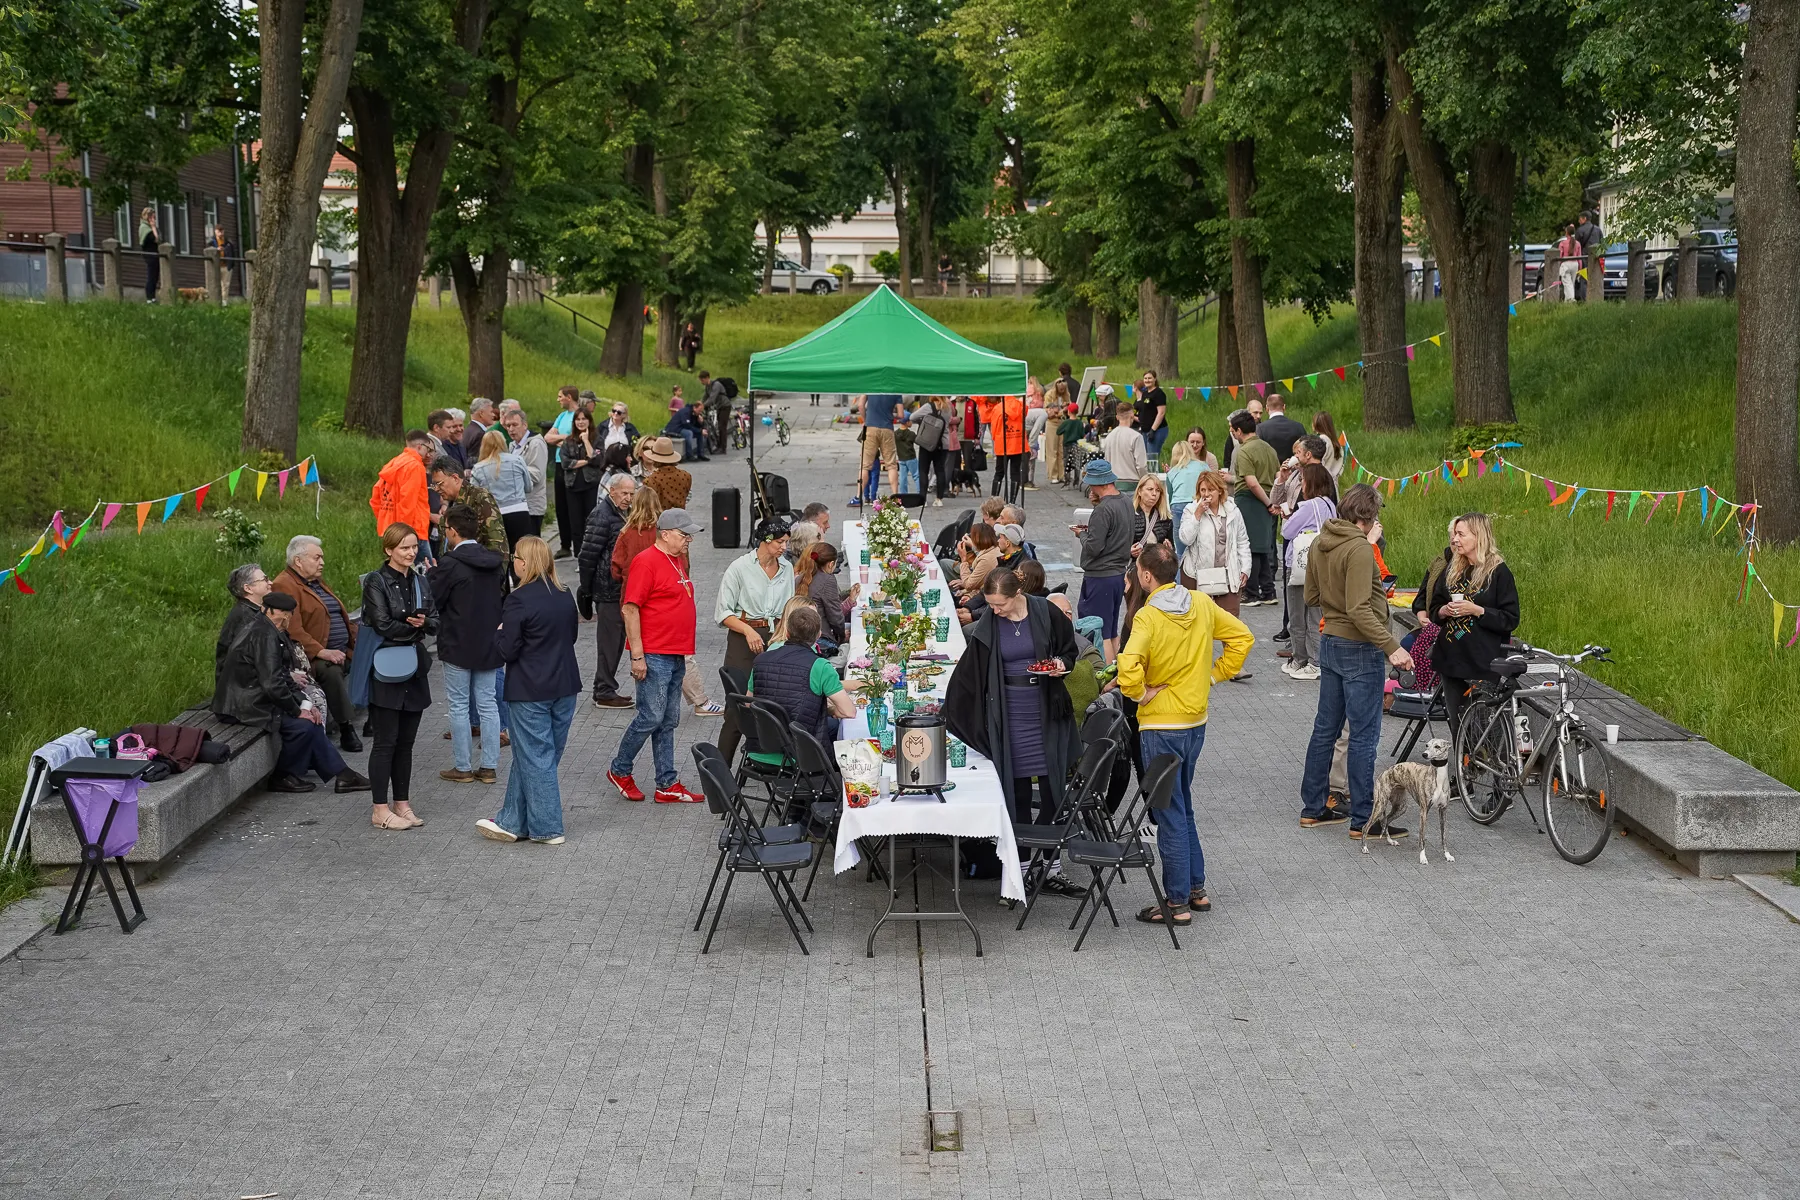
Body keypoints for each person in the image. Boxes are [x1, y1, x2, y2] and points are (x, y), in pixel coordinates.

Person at [1116, 542, 1253, 924]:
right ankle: (1196, 889)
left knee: (1170, 812)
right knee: (1183, 804)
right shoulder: (1200, 602)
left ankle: (1175, 902)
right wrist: (1214, 674)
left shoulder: (1147, 616)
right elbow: (1243, 637)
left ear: (1145, 576)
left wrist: (1141, 692)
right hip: (1195, 722)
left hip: (1160, 724)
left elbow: (1128, 666)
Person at [942, 569, 1084, 870]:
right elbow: (970, 671)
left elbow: (1069, 651)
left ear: (1017, 594)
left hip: (1046, 710)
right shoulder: (992, 622)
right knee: (1017, 790)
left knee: (1052, 787)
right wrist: (949, 711)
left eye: (999, 605)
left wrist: (1060, 664)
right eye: (991, 605)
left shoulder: (1045, 610)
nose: (994, 611)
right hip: (1010, 714)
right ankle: (1020, 860)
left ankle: (1049, 858)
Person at [1298, 483, 1413, 838]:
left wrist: (1335, 608)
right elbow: (1360, 609)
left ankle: (1313, 808)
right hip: (1360, 648)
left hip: (1331, 641)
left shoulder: (1321, 541)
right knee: (1364, 736)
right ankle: (1366, 819)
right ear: (1366, 517)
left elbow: (1311, 594)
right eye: (1375, 515)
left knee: (1325, 729)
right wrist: (1391, 645)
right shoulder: (1360, 550)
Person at [213, 565, 369, 795]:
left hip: (252, 695)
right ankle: (285, 776)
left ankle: (341, 775)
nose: (269, 582)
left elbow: (279, 674)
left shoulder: (266, 625)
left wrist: (304, 705)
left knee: (310, 720)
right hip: (243, 703)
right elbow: (272, 682)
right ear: (280, 614)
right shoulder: (262, 632)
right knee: (302, 725)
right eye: (263, 579)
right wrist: (298, 710)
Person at [476, 537, 583, 844]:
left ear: (524, 563)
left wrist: (498, 635)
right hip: (564, 686)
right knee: (537, 756)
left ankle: (548, 829)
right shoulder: (564, 594)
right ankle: (511, 820)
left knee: (536, 757)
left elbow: (508, 650)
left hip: (530, 689)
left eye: (516, 561)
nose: (514, 565)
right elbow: (572, 637)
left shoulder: (518, 599)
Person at [608, 509, 709, 804]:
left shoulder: (676, 559)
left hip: (674, 651)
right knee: (651, 715)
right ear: (666, 534)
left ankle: (667, 783)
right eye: (684, 534)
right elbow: (630, 608)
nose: (689, 539)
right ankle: (620, 769)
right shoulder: (646, 562)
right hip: (654, 652)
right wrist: (637, 655)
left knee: (667, 719)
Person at [358, 524, 438, 831]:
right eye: (404, 547)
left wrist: (425, 622)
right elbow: (382, 624)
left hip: (414, 666)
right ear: (389, 550)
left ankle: (402, 802)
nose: (411, 552)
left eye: (414, 546)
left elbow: (436, 620)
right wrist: (416, 628)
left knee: (406, 742)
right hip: (387, 666)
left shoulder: (420, 580)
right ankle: (380, 808)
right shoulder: (376, 582)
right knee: (385, 741)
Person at [1422, 512, 1520, 741]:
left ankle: (1496, 774)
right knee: (1458, 724)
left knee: (1487, 727)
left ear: (1478, 536)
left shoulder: (1499, 572)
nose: (1454, 539)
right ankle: (1464, 771)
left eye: (1460, 534)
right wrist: (1444, 611)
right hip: (1452, 658)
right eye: (1454, 534)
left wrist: (1477, 610)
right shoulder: (1453, 569)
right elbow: (1434, 606)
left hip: (1483, 662)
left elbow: (1510, 618)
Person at [429, 505, 507, 785]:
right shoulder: (494, 560)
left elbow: (434, 600)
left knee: (460, 705)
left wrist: (430, 575)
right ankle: (489, 767)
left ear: (451, 531)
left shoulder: (449, 564)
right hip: (489, 642)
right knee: (488, 705)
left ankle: (462, 767)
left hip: (457, 641)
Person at [743, 604, 857, 784]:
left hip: (759, 749)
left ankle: (801, 805)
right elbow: (849, 712)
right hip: (800, 755)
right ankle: (822, 793)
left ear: (787, 632)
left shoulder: (760, 660)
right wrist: (828, 710)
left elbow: (749, 704)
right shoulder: (819, 666)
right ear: (819, 635)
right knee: (838, 730)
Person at [269, 535, 362, 752]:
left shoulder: (315, 582)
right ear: (298, 561)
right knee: (329, 671)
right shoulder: (285, 584)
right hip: (310, 657)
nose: (322, 562)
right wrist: (322, 651)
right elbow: (293, 629)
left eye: (322, 558)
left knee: (374, 659)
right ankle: (346, 728)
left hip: (342, 648)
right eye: (317, 557)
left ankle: (375, 719)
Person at [714, 519, 796, 762]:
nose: (784, 547)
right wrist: (748, 631)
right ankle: (721, 766)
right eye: (780, 542)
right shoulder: (739, 568)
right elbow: (723, 613)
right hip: (744, 637)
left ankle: (770, 760)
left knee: (776, 701)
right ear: (765, 540)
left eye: (786, 542)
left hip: (776, 637)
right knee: (738, 707)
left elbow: (789, 607)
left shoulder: (787, 568)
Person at [577, 473, 638, 708]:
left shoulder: (620, 513)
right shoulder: (602, 515)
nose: (628, 498)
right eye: (624, 493)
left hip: (617, 589)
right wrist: (587, 589)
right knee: (610, 642)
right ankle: (603, 690)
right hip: (607, 589)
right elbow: (587, 555)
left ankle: (606, 687)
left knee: (616, 640)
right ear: (612, 491)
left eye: (631, 494)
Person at [1281, 463, 1339, 680]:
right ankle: (1314, 659)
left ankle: (1303, 659)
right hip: (1322, 564)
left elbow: (1287, 532)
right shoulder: (1330, 505)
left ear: (1311, 482)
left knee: (1298, 613)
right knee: (1316, 612)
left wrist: (1287, 516)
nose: (1302, 485)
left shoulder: (1307, 506)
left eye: (1303, 481)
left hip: (1299, 565)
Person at [1073, 459, 1136, 660]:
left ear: (1097, 483)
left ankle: (1104, 678)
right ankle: (1116, 672)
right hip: (1118, 574)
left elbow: (1093, 547)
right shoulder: (1126, 501)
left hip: (1100, 577)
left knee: (1100, 632)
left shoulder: (1103, 510)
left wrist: (1081, 535)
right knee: (1111, 630)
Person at [1177, 471, 1251, 616]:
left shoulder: (1233, 511)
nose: (1206, 494)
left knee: (1230, 624)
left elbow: (1242, 541)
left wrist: (1245, 568)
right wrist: (1197, 515)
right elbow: (1185, 539)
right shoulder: (1190, 510)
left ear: (1219, 490)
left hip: (1228, 574)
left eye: (1210, 490)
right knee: (1199, 625)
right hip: (1196, 575)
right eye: (1202, 490)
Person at [1226, 409, 1279, 604]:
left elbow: (1251, 482)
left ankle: (1251, 592)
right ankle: (1268, 591)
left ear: (1239, 430)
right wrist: (1273, 501)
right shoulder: (1269, 449)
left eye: (1233, 430)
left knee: (1249, 546)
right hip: (1268, 495)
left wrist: (1268, 502)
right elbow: (1277, 476)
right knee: (1264, 545)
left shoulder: (1243, 450)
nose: (1232, 433)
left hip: (1250, 499)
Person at [370, 430, 436, 563]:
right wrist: (406, 535)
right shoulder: (416, 466)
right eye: (428, 449)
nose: (428, 454)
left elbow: (376, 497)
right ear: (420, 447)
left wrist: (387, 523)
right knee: (427, 576)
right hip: (413, 532)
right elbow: (408, 503)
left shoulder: (393, 463)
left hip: (390, 530)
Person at [471, 428, 536, 551]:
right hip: (519, 512)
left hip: (494, 516)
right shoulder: (517, 460)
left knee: (500, 554)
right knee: (522, 553)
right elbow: (528, 487)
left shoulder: (478, 468)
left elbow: (475, 497)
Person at [431, 456, 503, 551]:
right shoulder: (452, 501)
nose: (436, 489)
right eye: (434, 485)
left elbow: (497, 543)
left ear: (455, 478)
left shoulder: (480, 497)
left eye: (439, 484)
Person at [499, 405, 550, 537]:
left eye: (515, 425)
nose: (511, 429)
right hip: (516, 506)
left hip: (531, 506)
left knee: (530, 547)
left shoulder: (536, 443)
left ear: (525, 425)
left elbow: (536, 474)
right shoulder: (512, 445)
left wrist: (511, 471)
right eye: (508, 426)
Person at [542, 386, 580, 557]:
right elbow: (547, 437)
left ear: (569, 397)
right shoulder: (561, 417)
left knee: (575, 505)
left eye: (560, 396)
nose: (558, 400)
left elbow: (579, 437)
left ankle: (578, 543)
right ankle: (565, 544)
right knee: (561, 505)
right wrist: (566, 439)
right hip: (559, 463)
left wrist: (563, 440)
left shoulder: (580, 415)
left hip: (574, 464)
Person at [562, 406, 602, 557]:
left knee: (590, 521)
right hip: (572, 485)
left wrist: (586, 441)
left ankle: (591, 553)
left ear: (589, 421)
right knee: (576, 523)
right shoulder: (568, 441)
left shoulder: (597, 439)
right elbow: (566, 463)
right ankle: (578, 554)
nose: (580, 422)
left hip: (590, 484)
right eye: (577, 419)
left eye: (583, 419)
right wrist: (586, 461)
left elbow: (597, 459)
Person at [857, 393, 903, 507]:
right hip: (887, 428)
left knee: (865, 465)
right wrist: (891, 416)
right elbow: (901, 414)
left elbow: (860, 405)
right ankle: (895, 497)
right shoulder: (896, 390)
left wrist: (865, 420)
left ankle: (858, 497)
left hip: (870, 427)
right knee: (891, 465)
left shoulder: (871, 385)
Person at [914, 397, 951, 504]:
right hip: (942, 443)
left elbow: (913, 416)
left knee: (923, 470)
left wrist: (923, 421)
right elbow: (948, 422)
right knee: (940, 470)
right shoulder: (948, 408)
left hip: (927, 442)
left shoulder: (928, 406)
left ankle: (923, 499)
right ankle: (939, 499)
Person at [639, 436, 691, 511]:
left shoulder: (650, 480)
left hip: (659, 520)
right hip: (680, 519)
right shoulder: (686, 476)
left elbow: (648, 507)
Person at [1100, 404, 1147, 483]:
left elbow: (1107, 461)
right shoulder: (1136, 437)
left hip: (1113, 483)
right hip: (1131, 482)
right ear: (1132, 416)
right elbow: (1141, 465)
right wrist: (1145, 481)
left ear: (1117, 417)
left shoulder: (1109, 437)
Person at [1258, 393, 1307, 464]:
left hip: (1272, 472)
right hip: (1295, 470)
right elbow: (1306, 449)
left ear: (1267, 408)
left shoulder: (1260, 428)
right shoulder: (1298, 426)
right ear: (1284, 407)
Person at [1135, 371, 1170, 465]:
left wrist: (1153, 430)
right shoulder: (1145, 393)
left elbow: (1161, 413)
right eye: (1145, 378)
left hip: (1157, 430)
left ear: (1155, 379)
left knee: (1152, 459)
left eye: (1150, 378)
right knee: (1145, 458)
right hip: (1144, 430)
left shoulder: (1159, 393)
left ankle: (1155, 478)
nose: (1147, 380)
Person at [1130, 475, 1173, 550]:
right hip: (1136, 560)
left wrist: (1169, 549)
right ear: (1139, 491)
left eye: (1158, 490)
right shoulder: (1128, 515)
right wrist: (1130, 552)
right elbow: (1119, 547)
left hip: (1158, 560)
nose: (1154, 494)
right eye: (1150, 489)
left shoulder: (1165, 518)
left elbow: (1172, 549)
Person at [1023, 384, 1050, 491]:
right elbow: (1036, 430)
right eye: (1056, 412)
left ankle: (1027, 480)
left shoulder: (1038, 412)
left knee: (1027, 457)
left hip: (1024, 431)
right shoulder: (1044, 414)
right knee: (1029, 456)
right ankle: (1027, 481)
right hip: (1024, 434)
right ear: (1050, 409)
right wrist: (1031, 446)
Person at [1056, 402, 1086, 487]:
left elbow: (1058, 432)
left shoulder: (1066, 422)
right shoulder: (1080, 423)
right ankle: (1076, 481)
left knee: (1066, 461)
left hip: (1067, 445)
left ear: (1068, 411)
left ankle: (1067, 480)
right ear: (1077, 412)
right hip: (1077, 444)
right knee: (1077, 462)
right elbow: (1082, 434)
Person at [895, 410, 921, 497]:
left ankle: (903, 496)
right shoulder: (911, 434)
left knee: (902, 478)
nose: (912, 422)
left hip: (901, 458)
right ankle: (920, 494)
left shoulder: (895, 434)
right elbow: (919, 442)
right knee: (916, 476)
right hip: (911, 458)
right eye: (911, 421)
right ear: (907, 422)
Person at [138, 207, 160, 302]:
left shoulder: (152, 227)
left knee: (155, 276)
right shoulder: (144, 227)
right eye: (152, 217)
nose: (153, 219)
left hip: (156, 254)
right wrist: (153, 227)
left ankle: (153, 297)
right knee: (151, 276)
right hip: (150, 254)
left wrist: (154, 228)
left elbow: (160, 239)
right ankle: (149, 298)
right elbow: (155, 239)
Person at [1555, 222, 1581, 301]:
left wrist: (1558, 266)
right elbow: (1579, 257)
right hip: (1575, 264)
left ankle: (1571, 300)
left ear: (1567, 233)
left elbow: (1560, 256)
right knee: (1571, 284)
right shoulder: (1577, 243)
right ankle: (1567, 301)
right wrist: (1580, 268)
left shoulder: (1562, 243)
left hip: (1566, 264)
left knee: (1567, 284)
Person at [1312, 411, 1342, 479]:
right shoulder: (1335, 442)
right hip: (1332, 480)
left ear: (1316, 424)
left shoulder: (1322, 440)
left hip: (1322, 481)